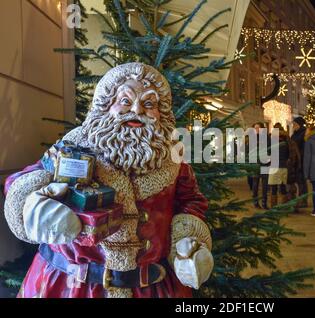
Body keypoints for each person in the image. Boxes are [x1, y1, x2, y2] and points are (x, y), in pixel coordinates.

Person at [3, 63, 213, 298]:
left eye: (149, 104)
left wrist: (187, 239)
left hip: (151, 286)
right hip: (72, 285)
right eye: (125, 100)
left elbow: (191, 200)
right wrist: (34, 207)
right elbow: (26, 179)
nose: (136, 109)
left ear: (160, 112)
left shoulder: (173, 158)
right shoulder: (74, 147)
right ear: (105, 105)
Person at [268, 123, 291, 208]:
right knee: (282, 187)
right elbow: (288, 154)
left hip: (274, 167)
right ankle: (284, 207)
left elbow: (269, 154)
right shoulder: (286, 142)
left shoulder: (273, 142)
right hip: (283, 167)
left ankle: (273, 207)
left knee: (273, 188)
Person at [290, 116, 308, 210]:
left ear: (299, 125)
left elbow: (303, 149)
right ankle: (299, 199)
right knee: (297, 181)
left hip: (301, 160)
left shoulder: (303, 134)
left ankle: (303, 200)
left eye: (295, 124)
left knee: (302, 182)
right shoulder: (295, 134)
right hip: (295, 161)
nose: (293, 126)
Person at [250, 122, 269, 209]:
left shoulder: (267, 138)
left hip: (265, 163)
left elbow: (270, 149)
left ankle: (264, 202)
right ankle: (256, 202)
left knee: (265, 184)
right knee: (255, 184)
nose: (256, 130)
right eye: (255, 128)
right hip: (255, 164)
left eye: (258, 128)